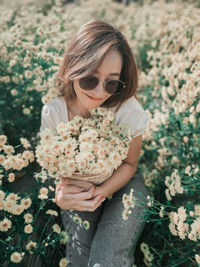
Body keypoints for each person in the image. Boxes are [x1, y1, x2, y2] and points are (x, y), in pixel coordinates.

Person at [40, 19, 149, 267]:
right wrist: (61, 197)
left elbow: (130, 164)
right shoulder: (55, 113)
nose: (100, 91)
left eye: (111, 82)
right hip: (79, 190)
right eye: (90, 79)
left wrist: (99, 193)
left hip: (125, 187)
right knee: (79, 261)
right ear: (73, 66)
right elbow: (55, 169)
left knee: (106, 260)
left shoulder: (126, 109)